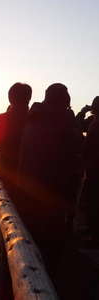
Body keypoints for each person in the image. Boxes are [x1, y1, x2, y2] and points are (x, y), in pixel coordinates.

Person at [17, 83, 83, 277]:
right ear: (64, 102)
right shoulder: (61, 123)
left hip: (28, 190)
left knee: (32, 241)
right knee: (51, 248)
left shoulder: (34, 117)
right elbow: (73, 153)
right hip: (52, 194)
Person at [0, 82, 32, 196]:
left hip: (7, 175)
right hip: (32, 178)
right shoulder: (35, 119)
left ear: (10, 98)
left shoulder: (2, 119)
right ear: (28, 98)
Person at [80, 97, 99, 244]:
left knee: (92, 201)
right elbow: (78, 125)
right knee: (89, 200)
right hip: (91, 167)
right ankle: (92, 229)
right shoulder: (93, 121)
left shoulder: (95, 123)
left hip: (94, 168)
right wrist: (82, 112)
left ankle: (95, 236)